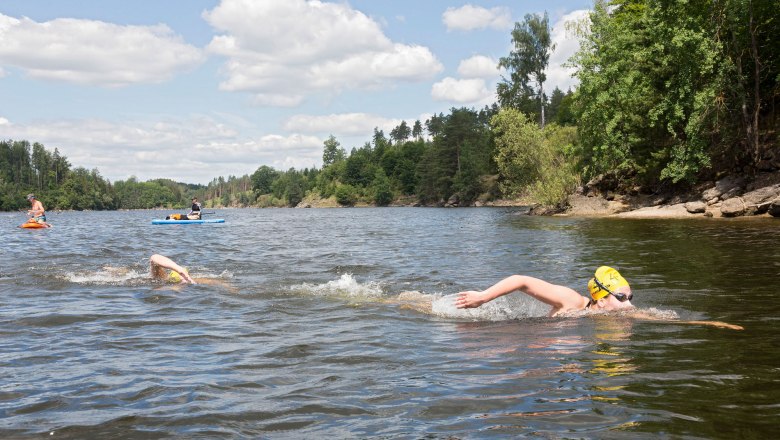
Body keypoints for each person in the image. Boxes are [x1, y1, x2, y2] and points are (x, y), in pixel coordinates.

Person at [455, 266, 743, 329]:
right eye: (622, 297)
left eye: (630, 296)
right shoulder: (571, 301)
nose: (629, 304)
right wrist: (482, 297)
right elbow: (520, 280)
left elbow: (662, 319)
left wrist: (713, 323)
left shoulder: (620, 313)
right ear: (601, 297)